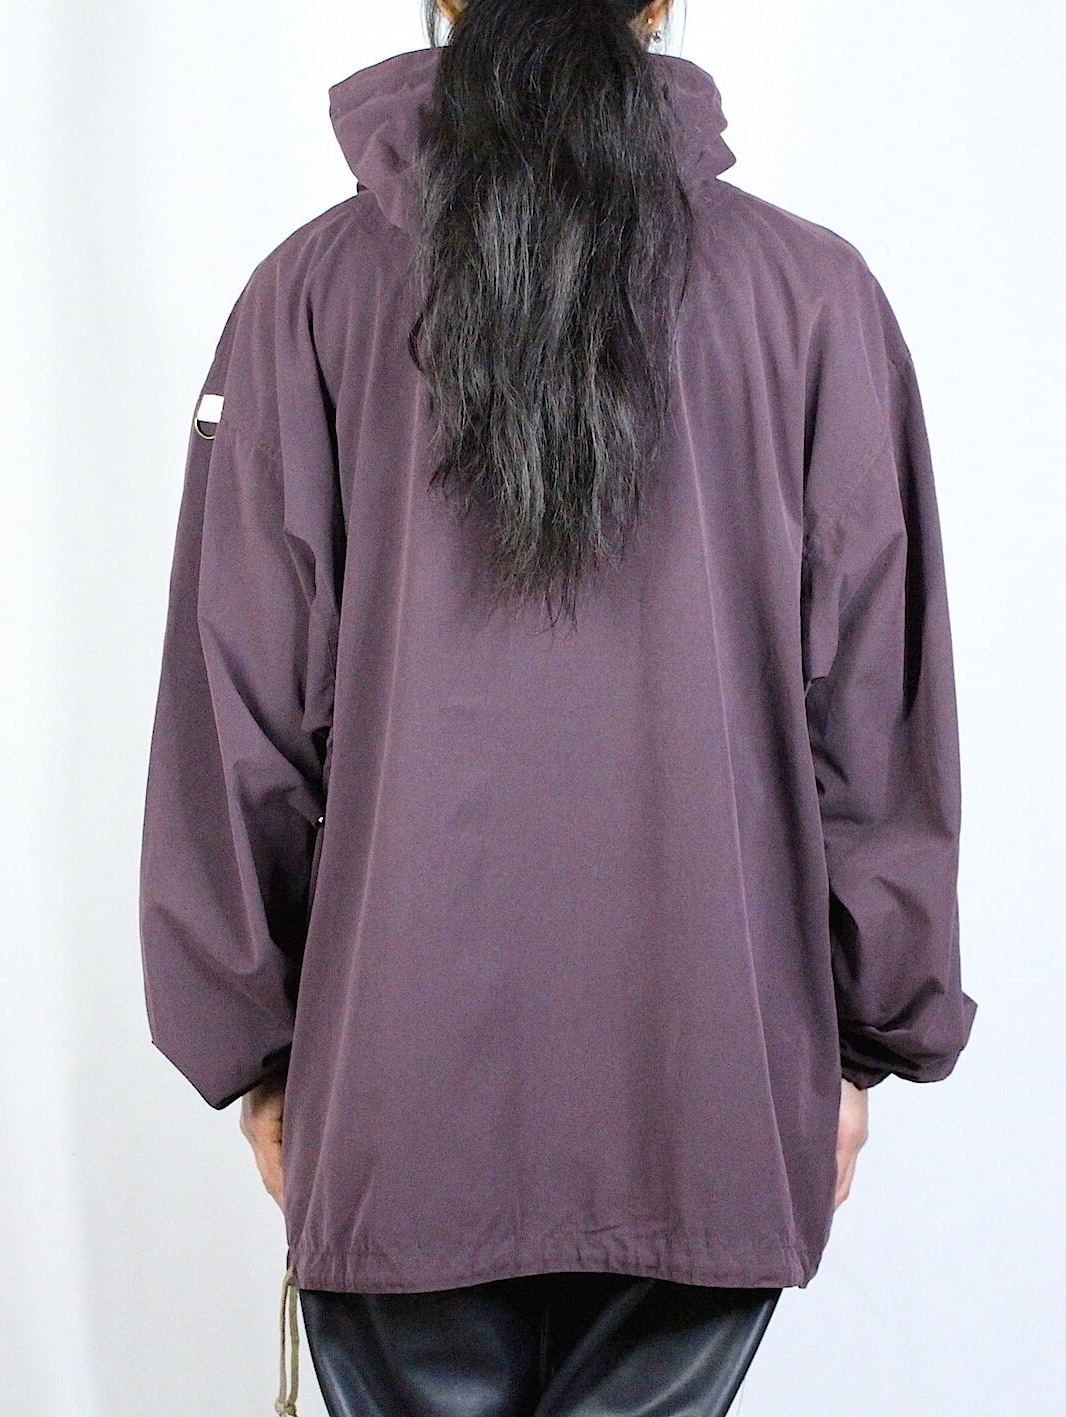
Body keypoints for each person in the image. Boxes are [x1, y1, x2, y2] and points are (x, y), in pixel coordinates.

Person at [139, 0, 977, 1411]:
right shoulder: (811, 297)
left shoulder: (310, 297)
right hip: (710, 1094)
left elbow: (238, 717)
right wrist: (860, 1040)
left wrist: (257, 1052)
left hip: (393, 1098)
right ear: (660, 5)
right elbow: (876, 719)